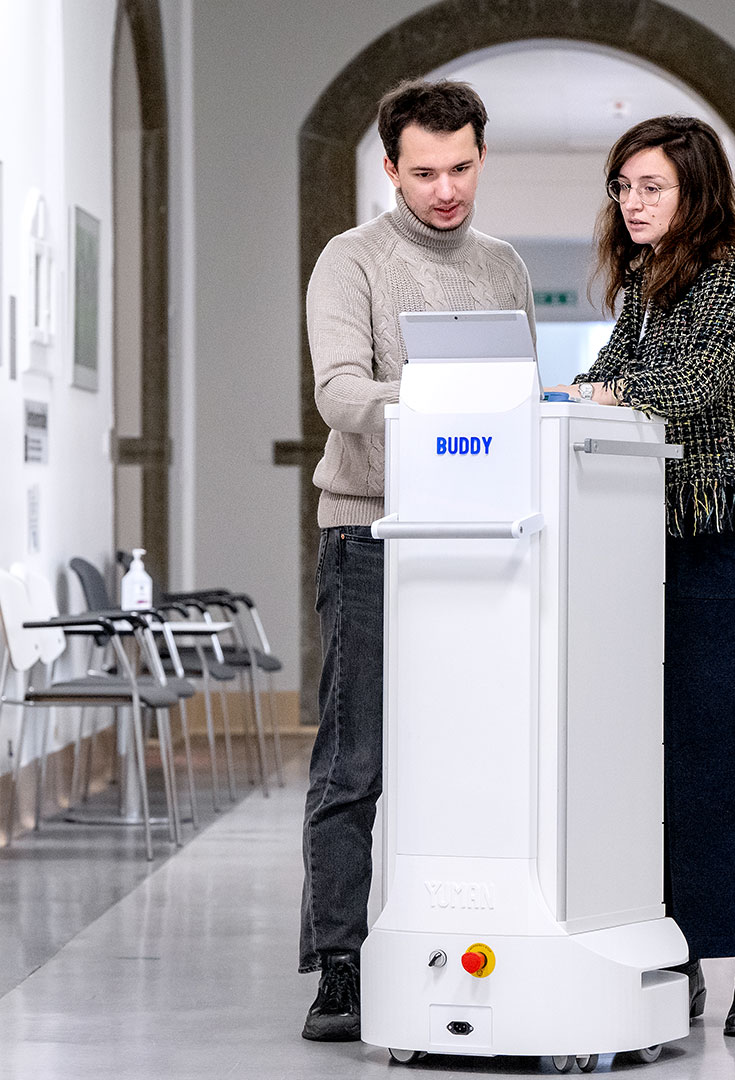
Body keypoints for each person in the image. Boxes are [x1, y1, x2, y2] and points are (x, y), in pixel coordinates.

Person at [297, 78, 534, 1043]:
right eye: (424, 172)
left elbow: (514, 395)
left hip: (480, 536)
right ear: (389, 167)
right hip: (368, 533)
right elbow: (341, 396)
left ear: (483, 158)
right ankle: (340, 966)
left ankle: (473, 937)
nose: (445, 191)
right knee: (355, 760)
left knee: (481, 752)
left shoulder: (505, 266)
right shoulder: (349, 261)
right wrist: (446, 394)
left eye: (462, 169)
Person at [546, 114, 735, 1037]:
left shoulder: (734, 283)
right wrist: (582, 390)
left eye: (653, 187)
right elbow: (602, 373)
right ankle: (674, 951)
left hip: (721, 548)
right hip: (640, 549)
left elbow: (691, 387)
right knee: (650, 771)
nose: (633, 203)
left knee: (721, 764)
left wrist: (605, 393)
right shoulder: (643, 288)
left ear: (697, 193)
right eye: (623, 187)